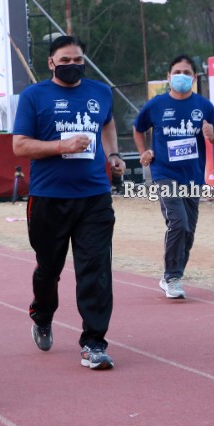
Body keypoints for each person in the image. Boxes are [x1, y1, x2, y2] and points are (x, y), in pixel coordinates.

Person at [12, 35, 125, 371]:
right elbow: (19, 146)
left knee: (96, 269)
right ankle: (42, 315)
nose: (72, 66)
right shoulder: (34, 96)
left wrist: (113, 154)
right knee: (49, 269)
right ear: (51, 63)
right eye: (65, 61)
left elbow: (107, 122)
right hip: (49, 199)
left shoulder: (100, 92)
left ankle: (93, 342)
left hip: (94, 197)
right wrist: (60, 146)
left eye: (78, 61)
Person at [133, 54, 214, 300]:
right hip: (164, 173)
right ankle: (172, 277)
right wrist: (144, 152)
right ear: (168, 77)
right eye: (177, 72)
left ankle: (173, 275)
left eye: (186, 73)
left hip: (193, 176)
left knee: (189, 230)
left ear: (194, 78)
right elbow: (138, 127)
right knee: (178, 223)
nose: (181, 77)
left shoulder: (203, 106)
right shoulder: (156, 105)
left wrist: (210, 134)